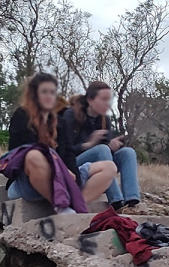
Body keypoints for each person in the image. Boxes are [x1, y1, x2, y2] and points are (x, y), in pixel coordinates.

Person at [7, 73, 116, 211]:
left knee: (109, 167)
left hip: (61, 179)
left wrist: (74, 177)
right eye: (44, 92)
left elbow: (69, 155)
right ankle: (61, 206)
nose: (49, 96)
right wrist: (57, 168)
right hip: (30, 183)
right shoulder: (22, 115)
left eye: (52, 92)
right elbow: (18, 153)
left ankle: (75, 205)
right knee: (33, 155)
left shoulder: (60, 121)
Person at [62, 81, 141, 211]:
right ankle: (116, 200)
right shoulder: (71, 115)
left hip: (101, 163)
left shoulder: (104, 120)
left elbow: (105, 150)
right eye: (103, 99)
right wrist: (88, 144)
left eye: (109, 100)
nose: (107, 104)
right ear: (90, 100)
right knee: (102, 149)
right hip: (74, 164)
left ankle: (132, 201)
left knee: (128, 152)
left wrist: (112, 146)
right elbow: (64, 150)